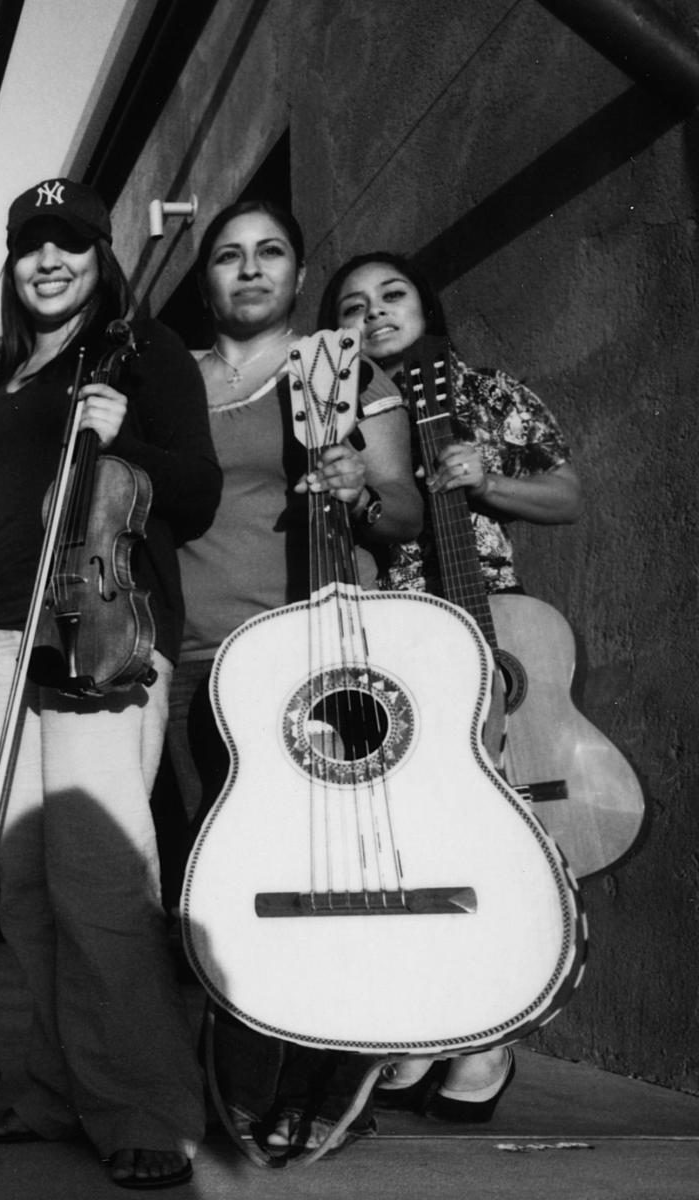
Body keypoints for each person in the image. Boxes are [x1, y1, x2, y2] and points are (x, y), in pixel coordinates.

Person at [0, 178, 220, 1190]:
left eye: (70, 244)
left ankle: (146, 1107)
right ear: (10, 265)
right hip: (5, 645)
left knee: (102, 880)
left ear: (101, 254)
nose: (49, 261)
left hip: (101, 630)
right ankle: (58, 1089)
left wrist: (124, 429)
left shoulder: (145, 354)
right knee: (30, 890)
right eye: (32, 246)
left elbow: (199, 493)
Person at [158, 200, 421, 1162]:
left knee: (331, 868)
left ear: (299, 273)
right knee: (226, 873)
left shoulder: (339, 367)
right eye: (228, 256)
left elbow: (401, 513)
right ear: (205, 281)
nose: (250, 268)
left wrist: (362, 486)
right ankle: (246, 1048)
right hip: (196, 660)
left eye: (270, 252)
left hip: (319, 652)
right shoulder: (172, 379)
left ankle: (326, 1064)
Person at [319, 249, 582, 1122]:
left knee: (495, 835)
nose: (376, 313)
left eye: (391, 295)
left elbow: (567, 493)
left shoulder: (486, 390)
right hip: (393, 628)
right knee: (410, 840)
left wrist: (489, 479)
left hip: (489, 625)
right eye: (353, 306)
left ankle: (490, 1036)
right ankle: (432, 1017)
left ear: (424, 303)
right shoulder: (334, 401)